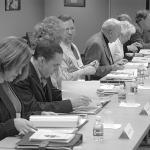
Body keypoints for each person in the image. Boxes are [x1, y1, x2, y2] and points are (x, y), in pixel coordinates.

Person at [12, 38, 91, 116]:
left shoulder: (42, 68)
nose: (57, 69)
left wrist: (74, 96)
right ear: (42, 61)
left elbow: (52, 93)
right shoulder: (22, 74)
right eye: (55, 65)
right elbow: (32, 107)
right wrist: (70, 104)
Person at [0, 36, 36, 140]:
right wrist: (12, 125)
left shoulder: (6, 83)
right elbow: (12, 122)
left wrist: (40, 115)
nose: (20, 72)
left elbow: (16, 114)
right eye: (19, 66)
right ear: (8, 60)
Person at [57, 15, 98, 81]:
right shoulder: (57, 50)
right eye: (66, 29)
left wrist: (88, 66)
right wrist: (84, 71)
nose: (70, 32)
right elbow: (63, 79)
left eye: (72, 28)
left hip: (78, 85)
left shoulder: (73, 47)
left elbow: (77, 68)